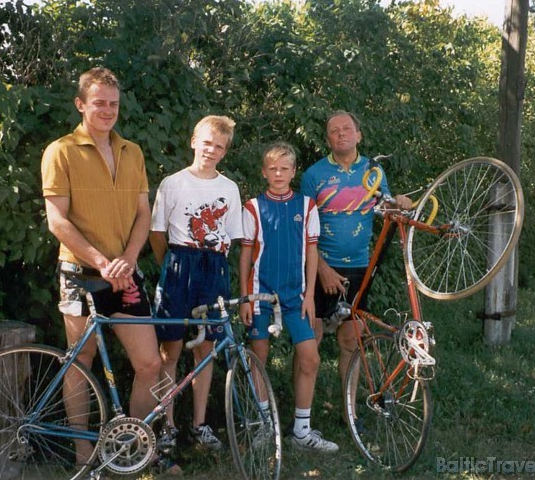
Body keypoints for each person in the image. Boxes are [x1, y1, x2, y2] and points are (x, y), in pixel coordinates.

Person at [41, 67, 162, 466]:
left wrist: (127, 258)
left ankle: (129, 450)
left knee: (150, 364)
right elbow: (56, 220)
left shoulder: (133, 152)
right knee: (80, 361)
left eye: (113, 103)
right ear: (81, 104)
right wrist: (99, 261)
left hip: (125, 274)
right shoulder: (60, 151)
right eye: (99, 103)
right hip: (80, 275)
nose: (107, 110)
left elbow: (143, 213)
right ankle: (82, 453)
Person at [300, 111, 412, 404]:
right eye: (334, 131)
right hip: (320, 268)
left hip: (361, 269)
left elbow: (386, 209)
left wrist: (400, 203)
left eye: (347, 128)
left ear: (358, 135)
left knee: (352, 342)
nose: (341, 134)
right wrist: (321, 268)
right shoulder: (314, 175)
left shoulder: (373, 172)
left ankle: (350, 414)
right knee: (310, 341)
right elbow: (301, 230)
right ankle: (301, 417)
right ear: (328, 140)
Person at [149, 115, 242, 452]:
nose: (211, 150)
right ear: (193, 141)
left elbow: (232, 238)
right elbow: (157, 232)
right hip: (177, 264)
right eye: (206, 143)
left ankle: (200, 425)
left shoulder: (229, 188)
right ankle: (167, 425)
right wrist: (170, 268)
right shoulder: (173, 183)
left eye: (219, 146)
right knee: (169, 349)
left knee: (206, 350)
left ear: (225, 151)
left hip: (212, 267)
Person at [239, 142, 339, 452]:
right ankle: (265, 425)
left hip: (296, 296)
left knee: (310, 357)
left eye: (285, 168)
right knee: (259, 357)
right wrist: (245, 296)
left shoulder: (307, 205)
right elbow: (245, 254)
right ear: (264, 171)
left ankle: (301, 431)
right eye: (273, 168)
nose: (279, 173)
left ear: (294, 171)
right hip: (260, 293)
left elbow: (311, 252)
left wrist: (310, 294)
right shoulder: (253, 206)